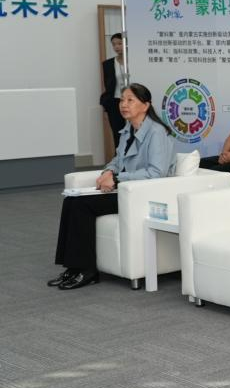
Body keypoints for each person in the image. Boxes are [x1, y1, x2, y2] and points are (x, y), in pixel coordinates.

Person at [51, 84, 175, 290]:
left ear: (145, 105)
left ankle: (87, 270)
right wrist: (108, 171)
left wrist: (117, 179)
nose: (124, 105)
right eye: (122, 100)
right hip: (127, 190)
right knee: (71, 201)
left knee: (83, 206)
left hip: (144, 194)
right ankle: (73, 267)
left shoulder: (157, 132)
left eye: (130, 100)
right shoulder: (128, 129)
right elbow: (118, 160)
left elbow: (156, 173)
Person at [99, 32, 126, 148]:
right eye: (114, 44)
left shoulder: (135, 61)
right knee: (117, 133)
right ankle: (119, 157)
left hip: (133, 101)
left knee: (135, 131)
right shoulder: (108, 64)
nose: (116, 47)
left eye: (119, 43)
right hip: (115, 102)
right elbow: (108, 86)